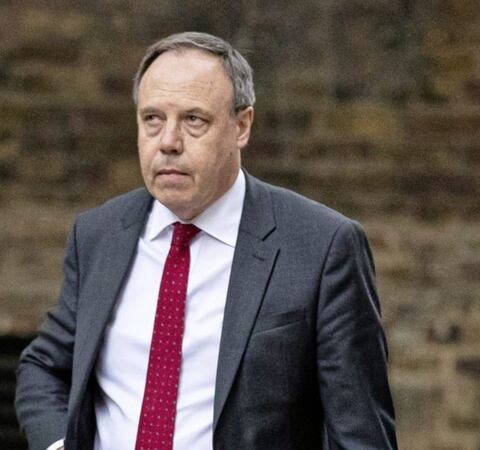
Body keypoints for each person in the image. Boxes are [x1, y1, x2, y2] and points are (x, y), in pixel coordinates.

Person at [15, 32, 397, 450]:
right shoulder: (98, 234)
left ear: (242, 126)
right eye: (152, 119)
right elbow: (45, 366)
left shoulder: (322, 247)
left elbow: (361, 435)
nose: (169, 142)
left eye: (194, 120)